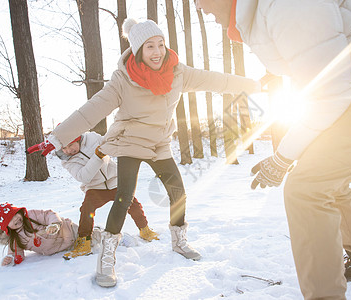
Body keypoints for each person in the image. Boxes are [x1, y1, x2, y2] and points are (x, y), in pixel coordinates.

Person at [195, 0, 351, 299]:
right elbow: (315, 46)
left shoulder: (285, 6)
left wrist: (281, 159)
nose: (199, 7)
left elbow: (330, 94)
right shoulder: (266, 10)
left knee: (306, 189)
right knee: (326, 179)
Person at [26, 18, 262, 287]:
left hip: (159, 142)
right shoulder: (122, 80)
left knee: (178, 192)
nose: (157, 51)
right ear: (138, 50)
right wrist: (58, 138)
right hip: (129, 141)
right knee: (124, 196)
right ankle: (106, 260)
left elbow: (215, 80)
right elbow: (90, 110)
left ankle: (179, 241)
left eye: (161, 44)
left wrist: (254, 84)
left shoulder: (178, 72)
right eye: (150, 46)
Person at [52, 131, 159, 260]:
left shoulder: (92, 138)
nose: (69, 150)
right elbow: (83, 177)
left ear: (78, 138)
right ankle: (84, 242)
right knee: (87, 209)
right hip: (95, 187)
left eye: (71, 145)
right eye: (64, 148)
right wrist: (97, 156)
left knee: (132, 204)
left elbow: (111, 144)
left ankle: (144, 229)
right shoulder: (67, 161)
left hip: (115, 181)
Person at [0, 201, 81, 265]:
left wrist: (54, 224)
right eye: (10, 219)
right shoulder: (16, 239)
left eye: (15, 214)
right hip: (64, 247)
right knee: (85, 244)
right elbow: (16, 253)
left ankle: (94, 232)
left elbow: (48, 215)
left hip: (70, 230)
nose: (16, 218)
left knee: (91, 237)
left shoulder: (31, 216)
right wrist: (10, 259)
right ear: (6, 226)